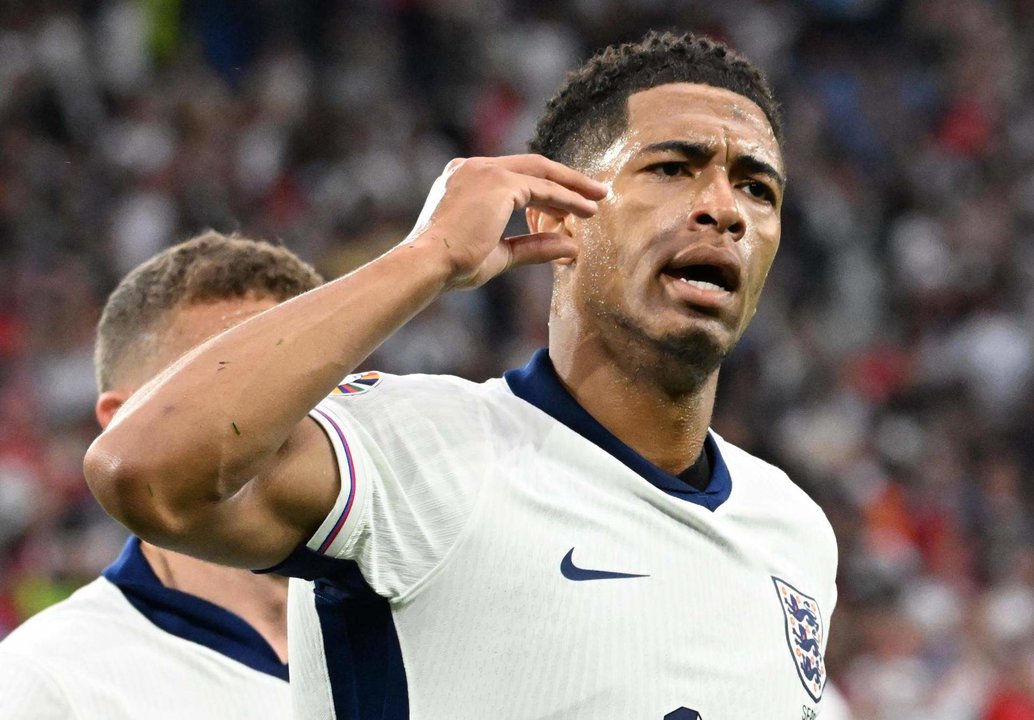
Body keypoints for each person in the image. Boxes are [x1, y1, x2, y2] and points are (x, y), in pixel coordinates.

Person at [85, 31, 840, 719]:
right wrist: (429, 257)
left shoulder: (796, 532)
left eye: (756, 188)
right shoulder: (427, 450)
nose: (723, 209)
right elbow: (143, 472)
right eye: (673, 168)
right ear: (555, 215)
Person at [0, 232, 322, 719]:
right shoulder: (48, 683)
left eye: (309, 384)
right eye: (232, 383)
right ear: (124, 429)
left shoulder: (432, 628)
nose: (276, 422)